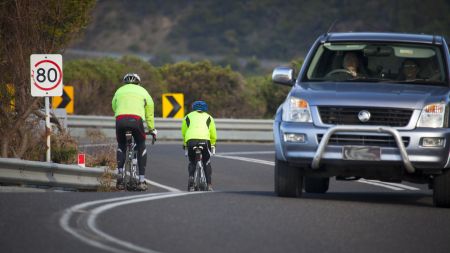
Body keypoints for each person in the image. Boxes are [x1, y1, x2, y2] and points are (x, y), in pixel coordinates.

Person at [112, 73, 156, 191]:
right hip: (136, 121)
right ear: (138, 82)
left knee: (121, 145)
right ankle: (141, 180)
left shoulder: (119, 91)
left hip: (120, 120)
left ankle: (120, 175)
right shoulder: (143, 91)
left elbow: (114, 106)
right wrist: (151, 129)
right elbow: (149, 113)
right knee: (141, 144)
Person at [181, 100, 217, 191]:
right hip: (205, 141)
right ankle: (209, 185)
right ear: (205, 109)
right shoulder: (209, 117)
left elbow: (184, 132)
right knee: (206, 161)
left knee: (192, 161)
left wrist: (185, 143)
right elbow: (213, 133)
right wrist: (213, 144)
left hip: (191, 140)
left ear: (193, 108)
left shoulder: (187, 116)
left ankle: (191, 179)